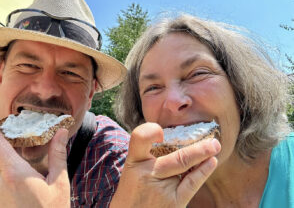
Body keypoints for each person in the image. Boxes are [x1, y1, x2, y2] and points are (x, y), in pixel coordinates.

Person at [0, 0, 130, 207]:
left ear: (90, 93)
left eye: (70, 73)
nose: (46, 89)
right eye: (27, 65)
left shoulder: (111, 158)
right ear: (1, 76)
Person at [114, 14, 294, 207]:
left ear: (241, 91)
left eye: (198, 74)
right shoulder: (145, 195)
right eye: (153, 88)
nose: (174, 101)